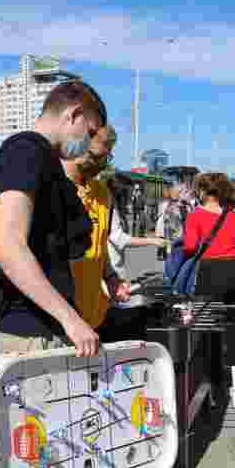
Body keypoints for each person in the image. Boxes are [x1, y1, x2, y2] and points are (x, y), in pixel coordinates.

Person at [0, 79, 108, 468]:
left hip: (42, 324)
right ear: (75, 116)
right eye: (94, 131)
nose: (94, 142)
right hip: (30, 324)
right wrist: (70, 319)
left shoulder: (43, 162)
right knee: (30, 451)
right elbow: (8, 247)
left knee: (50, 443)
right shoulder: (24, 153)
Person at [66, 123, 164, 337]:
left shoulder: (102, 193)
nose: (102, 164)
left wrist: (111, 278)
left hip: (97, 315)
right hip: (65, 321)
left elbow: (101, 244)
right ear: (77, 146)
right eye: (98, 156)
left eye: (107, 157)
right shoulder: (55, 187)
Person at [182, 172, 235, 264]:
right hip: (233, 264)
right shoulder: (233, 215)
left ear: (202, 191)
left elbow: (190, 247)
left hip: (208, 265)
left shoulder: (195, 215)